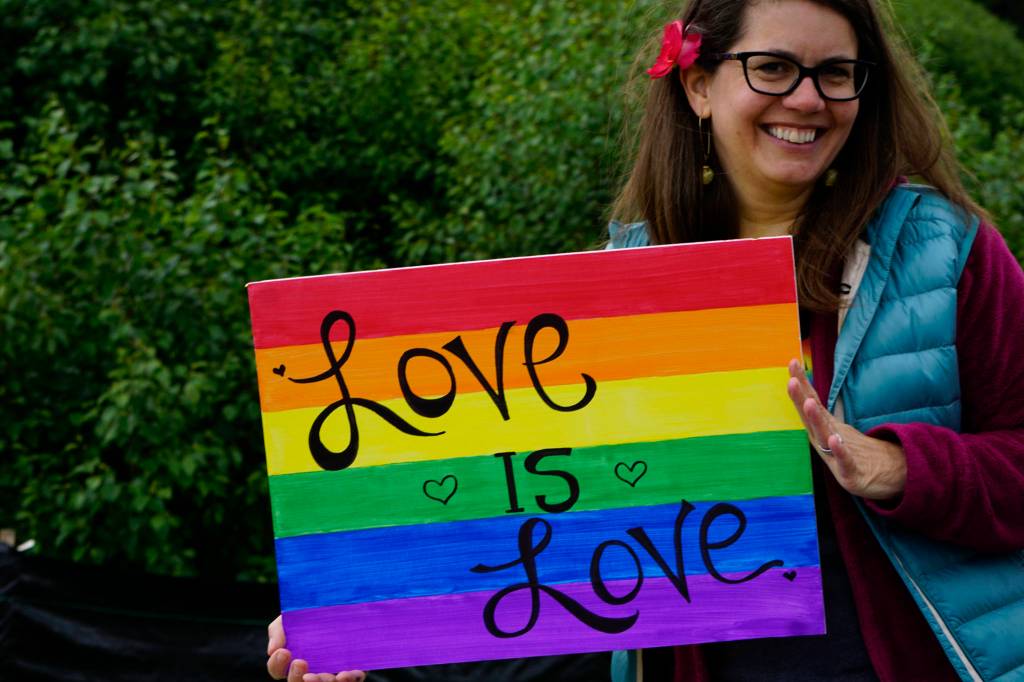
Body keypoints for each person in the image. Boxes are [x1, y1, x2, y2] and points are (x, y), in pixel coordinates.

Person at [269, 0, 1024, 679]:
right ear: (697, 84)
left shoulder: (941, 251)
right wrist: (350, 614)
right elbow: (532, 525)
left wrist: (896, 467)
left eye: (837, 74)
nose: (807, 98)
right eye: (772, 68)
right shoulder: (621, 281)